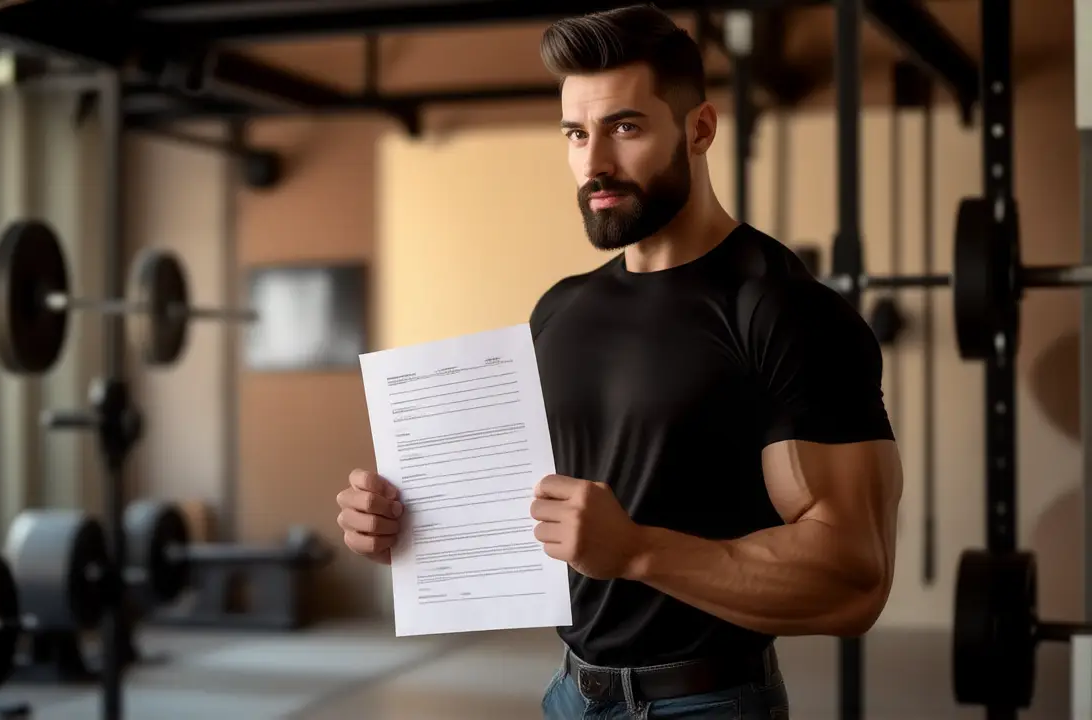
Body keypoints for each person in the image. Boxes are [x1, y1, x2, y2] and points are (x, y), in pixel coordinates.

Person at [334, 5, 904, 719]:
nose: (594, 163)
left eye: (624, 128)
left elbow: (854, 582)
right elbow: (540, 515)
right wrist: (406, 528)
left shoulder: (784, 311)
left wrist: (638, 552)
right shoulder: (562, 310)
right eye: (577, 134)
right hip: (572, 693)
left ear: (698, 129)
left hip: (707, 702)